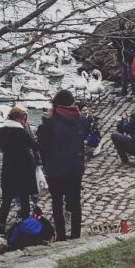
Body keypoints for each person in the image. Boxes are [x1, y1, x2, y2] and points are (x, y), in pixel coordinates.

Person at [37, 89, 87, 241]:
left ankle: (61, 235)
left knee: (57, 203)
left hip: (56, 170)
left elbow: (42, 147)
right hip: (75, 168)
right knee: (75, 202)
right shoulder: (80, 120)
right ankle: (76, 234)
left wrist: (46, 164)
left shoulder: (50, 123)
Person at [0, 107, 40, 236]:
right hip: (23, 169)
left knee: (6, 200)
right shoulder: (22, 133)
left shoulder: (1, 131)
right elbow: (35, 146)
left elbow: (2, 147)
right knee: (24, 197)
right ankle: (25, 225)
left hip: (8, 168)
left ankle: (2, 227)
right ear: (20, 119)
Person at [111, 19, 135, 98]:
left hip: (126, 56)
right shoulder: (130, 34)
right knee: (126, 74)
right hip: (128, 56)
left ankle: (128, 90)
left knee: (126, 74)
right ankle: (130, 90)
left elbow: (116, 45)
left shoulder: (120, 35)